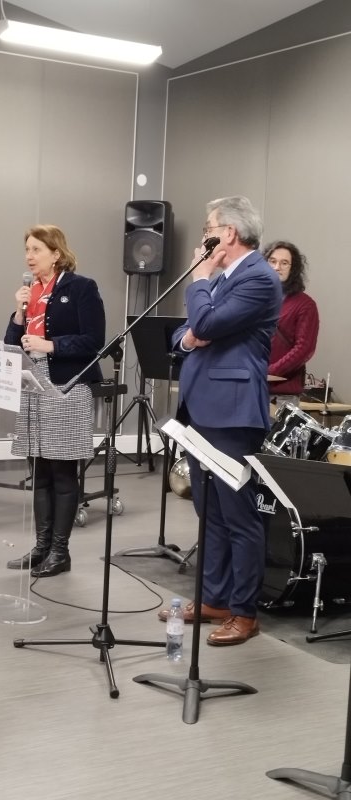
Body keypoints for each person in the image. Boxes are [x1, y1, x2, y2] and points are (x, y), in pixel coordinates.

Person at [159, 196, 282, 645]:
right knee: (208, 509)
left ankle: (244, 612)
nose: (203, 237)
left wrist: (201, 280)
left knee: (239, 514)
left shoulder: (259, 278)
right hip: (202, 407)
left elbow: (205, 322)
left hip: (232, 412)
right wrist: (194, 332)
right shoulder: (227, 278)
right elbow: (184, 333)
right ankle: (215, 596)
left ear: (228, 233)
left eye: (209, 227)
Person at [4, 224, 105, 577]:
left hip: (67, 384)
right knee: (40, 471)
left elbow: (94, 340)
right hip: (32, 382)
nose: (29, 256)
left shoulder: (81, 288)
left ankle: (61, 552)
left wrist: (52, 345)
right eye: (27, 250)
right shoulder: (30, 291)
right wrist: (19, 314)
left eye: (36, 250)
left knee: (63, 471)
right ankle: (42, 546)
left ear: (56, 253)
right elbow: (13, 340)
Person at [264, 240, 319, 406]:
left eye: (284, 263)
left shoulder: (305, 304)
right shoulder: (256, 300)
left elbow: (304, 349)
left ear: (293, 269)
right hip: (251, 388)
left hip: (281, 396)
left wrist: (270, 371)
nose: (277, 267)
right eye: (272, 261)